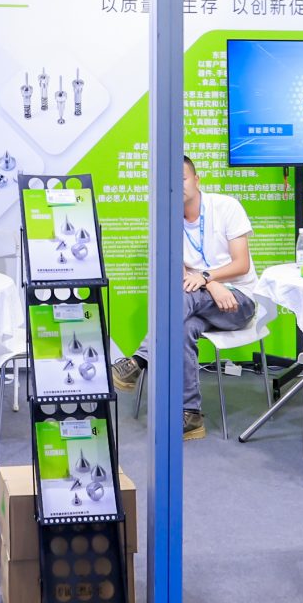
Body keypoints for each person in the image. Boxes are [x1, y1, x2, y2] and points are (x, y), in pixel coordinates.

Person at [111, 156, 256, 441]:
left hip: (238, 301)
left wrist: (206, 277)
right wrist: (210, 284)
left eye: (182, 179)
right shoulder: (166, 220)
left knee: (185, 298)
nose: (177, 186)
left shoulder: (226, 207)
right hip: (200, 301)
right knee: (183, 326)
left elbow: (241, 265)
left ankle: (139, 360)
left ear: (197, 180)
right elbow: (177, 274)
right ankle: (191, 415)